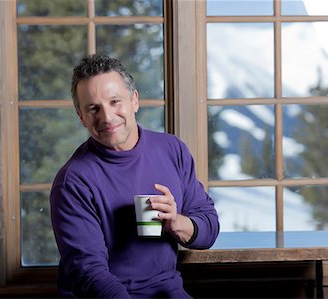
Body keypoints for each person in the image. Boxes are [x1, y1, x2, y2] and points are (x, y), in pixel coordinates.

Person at [50, 54, 220, 298]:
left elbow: (209, 228)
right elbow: (88, 274)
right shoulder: (73, 181)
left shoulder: (171, 149)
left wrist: (176, 223)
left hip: (168, 291)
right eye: (93, 108)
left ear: (134, 100)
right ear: (81, 117)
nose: (107, 117)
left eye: (115, 101)